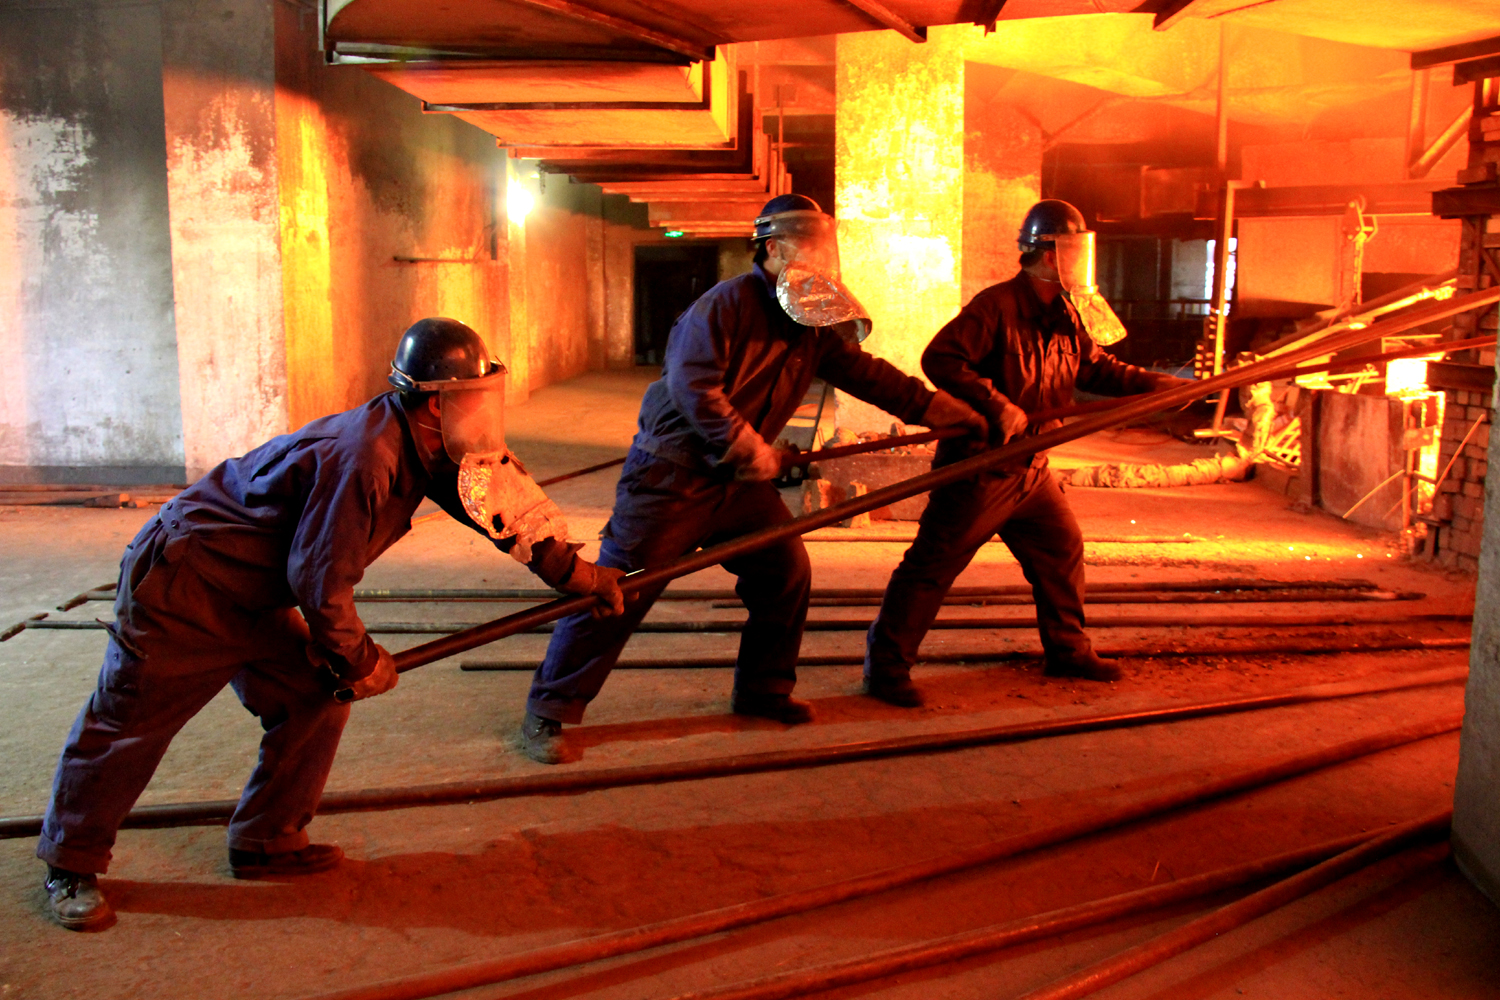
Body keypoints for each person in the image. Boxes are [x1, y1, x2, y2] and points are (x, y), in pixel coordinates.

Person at [37, 317, 624, 931]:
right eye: (471, 397)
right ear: (433, 401)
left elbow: (497, 506)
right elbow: (319, 583)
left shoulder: (433, 444)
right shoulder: (366, 458)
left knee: (313, 695)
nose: (482, 411)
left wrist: (582, 577)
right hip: (189, 585)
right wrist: (360, 658)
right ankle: (70, 863)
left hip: (254, 589)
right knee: (130, 722)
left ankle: (265, 841)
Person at [519, 193, 988, 764]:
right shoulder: (725, 305)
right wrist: (747, 445)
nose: (819, 260)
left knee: (784, 572)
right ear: (773, 249)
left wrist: (934, 408)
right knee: (622, 588)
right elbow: (694, 386)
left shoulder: (810, 321)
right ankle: (549, 709)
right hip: (672, 479)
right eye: (807, 248)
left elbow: (866, 374)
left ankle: (764, 690)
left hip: (739, 487)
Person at [862, 200, 1195, 707]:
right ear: (1049, 254)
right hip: (981, 468)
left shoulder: (1069, 311)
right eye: (1074, 251)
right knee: (932, 568)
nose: (1082, 262)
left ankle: (1067, 650)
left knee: (1061, 550)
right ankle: (886, 667)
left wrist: (1157, 385)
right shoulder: (995, 307)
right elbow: (941, 359)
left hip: (1033, 468)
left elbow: (1096, 368)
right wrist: (997, 404)